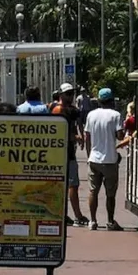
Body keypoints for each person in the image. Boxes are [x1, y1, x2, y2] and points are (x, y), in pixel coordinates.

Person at [84, 88, 125, 231]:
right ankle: (110, 221)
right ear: (112, 100)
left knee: (93, 191)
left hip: (94, 159)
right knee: (110, 194)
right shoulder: (116, 115)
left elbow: (87, 137)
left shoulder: (91, 115)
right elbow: (120, 136)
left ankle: (93, 221)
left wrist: (89, 155)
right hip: (110, 160)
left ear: (99, 101)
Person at [52, 84, 88, 226]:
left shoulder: (66, 109)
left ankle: (63, 214)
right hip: (64, 153)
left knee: (65, 185)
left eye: (72, 93)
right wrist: (76, 137)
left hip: (64, 153)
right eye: (67, 94)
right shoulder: (59, 110)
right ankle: (77, 215)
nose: (70, 96)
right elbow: (61, 132)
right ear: (60, 95)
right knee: (72, 185)